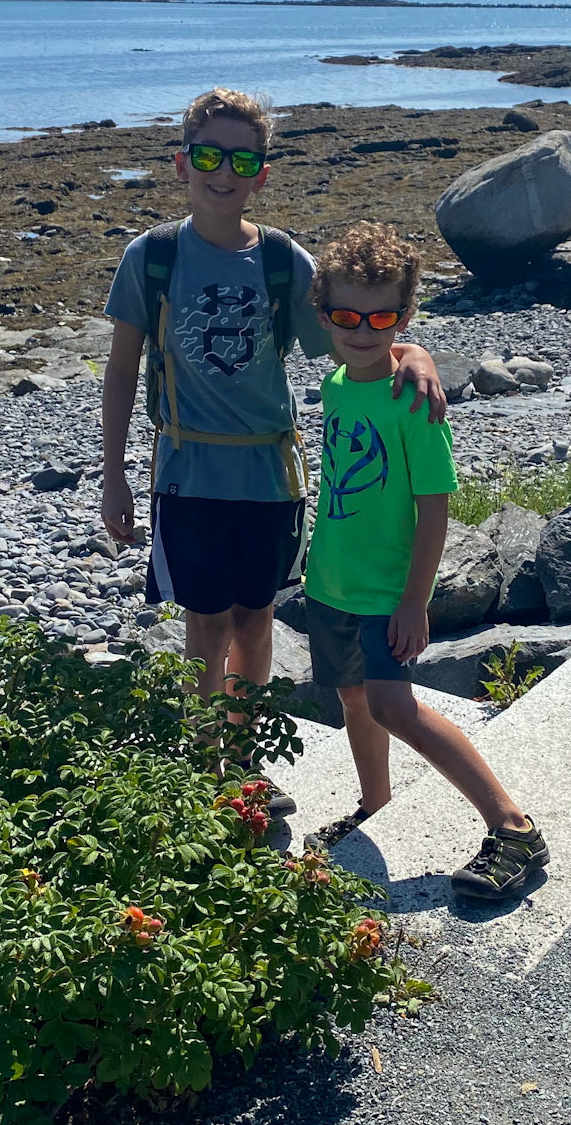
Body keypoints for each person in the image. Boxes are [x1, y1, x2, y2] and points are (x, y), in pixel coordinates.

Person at [99, 88, 446, 810]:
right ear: (182, 163)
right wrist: (114, 477)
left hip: (270, 476)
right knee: (205, 627)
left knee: (256, 622)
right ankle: (205, 773)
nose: (223, 172)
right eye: (208, 156)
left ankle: (243, 759)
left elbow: (355, 337)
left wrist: (416, 352)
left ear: (262, 172)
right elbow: (122, 370)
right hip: (187, 473)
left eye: (241, 159)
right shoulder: (153, 257)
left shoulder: (284, 260)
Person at [303, 221, 551, 902]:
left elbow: (435, 509)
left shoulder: (414, 402)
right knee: (354, 697)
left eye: (381, 318)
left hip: (386, 592)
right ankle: (375, 802)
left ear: (404, 316)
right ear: (323, 315)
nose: (363, 330)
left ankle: (513, 827)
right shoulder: (334, 385)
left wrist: (415, 600)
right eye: (347, 316)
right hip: (331, 582)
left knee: (394, 706)